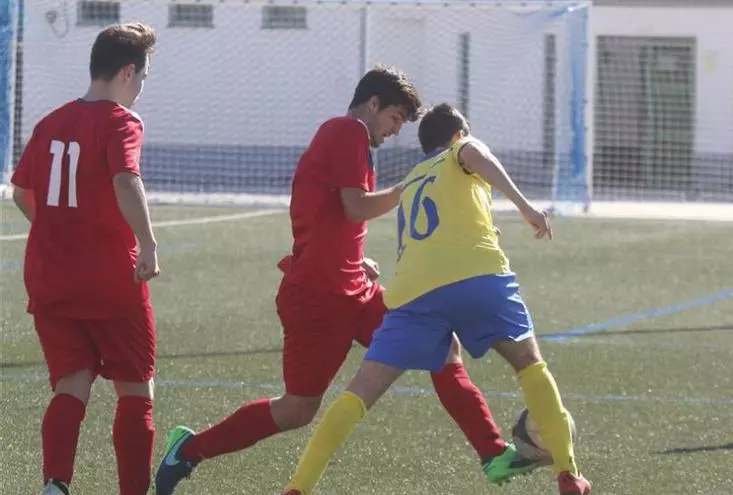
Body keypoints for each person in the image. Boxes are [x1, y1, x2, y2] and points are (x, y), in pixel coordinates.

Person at [154, 66, 537, 494]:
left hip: (352, 289)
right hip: (317, 298)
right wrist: (411, 185)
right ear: (373, 104)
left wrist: (354, 259)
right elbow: (356, 206)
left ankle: (492, 453)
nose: (396, 130)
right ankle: (189, 450)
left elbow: (332, 213)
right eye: (394, 117)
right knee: (297, 409)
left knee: (443, 347)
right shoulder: (347, 131)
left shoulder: (347, 139)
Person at [280, 103, 592, 495]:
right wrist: (526, 207)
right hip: (477, 276)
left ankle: (298, 487)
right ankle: (568, 474)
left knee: (361, 390)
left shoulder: (413, 179)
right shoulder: (461, 149)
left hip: (414, 293)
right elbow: (476, 155)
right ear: (458, 135)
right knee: (529, 363)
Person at [9, 23, 160, 495]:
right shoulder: (121, 121)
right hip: (109, 280)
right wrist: (148, 243)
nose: (141, 87)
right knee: (135, 388)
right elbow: (125, 179)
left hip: (50, 278)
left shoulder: (50, 122)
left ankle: (55, 485)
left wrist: (58, 227)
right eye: (143, 77)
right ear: (127, 72)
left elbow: (21, 191)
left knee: (71, 383)